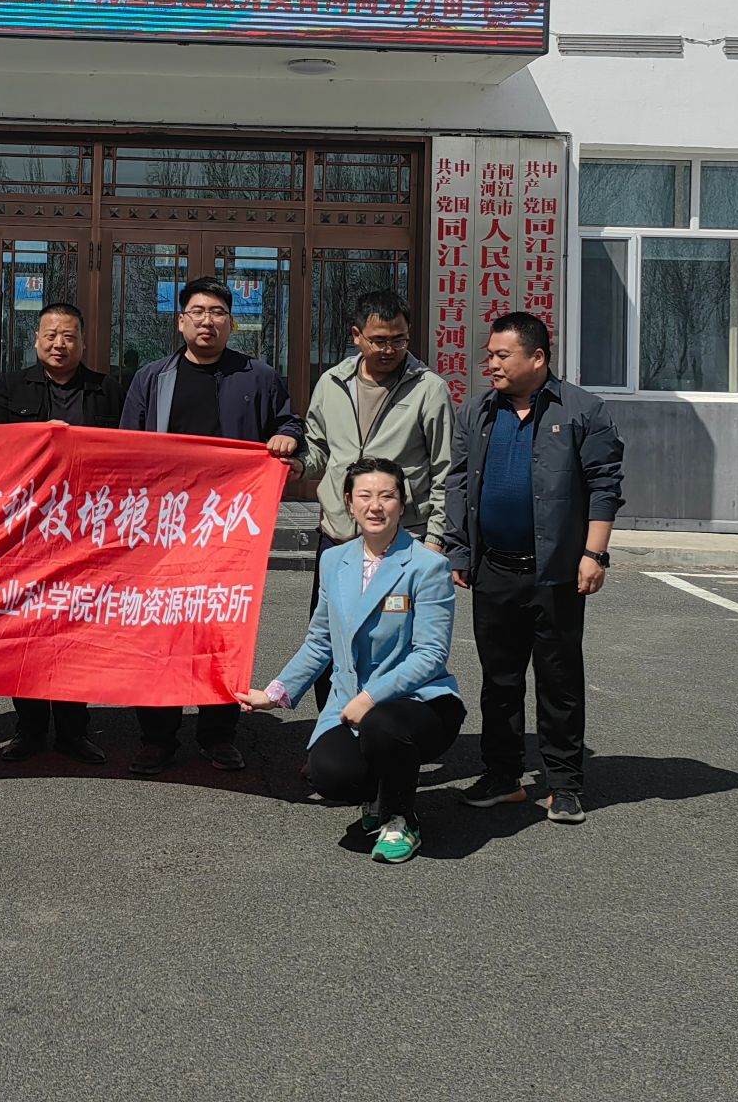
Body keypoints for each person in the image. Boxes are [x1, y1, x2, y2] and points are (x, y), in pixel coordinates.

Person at [443, 311, 624, 825]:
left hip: (556, 571)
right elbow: (459, 482)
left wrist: (594, 554)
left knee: (558, 679)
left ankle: (564, 784)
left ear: (538, 357)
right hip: (493, 569)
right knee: (499, 681)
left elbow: (605, 485)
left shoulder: (583, 410)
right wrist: (460, 550)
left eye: (503, 355)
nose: (491, 364)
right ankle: (502, 776)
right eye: (490, 354)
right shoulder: (478, 411)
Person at [236, 458, 464, 864]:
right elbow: (320, 641)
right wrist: (275, 693)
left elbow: (430, 655)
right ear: (349, 502)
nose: (375, 506)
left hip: (418, 703)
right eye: (365, 496)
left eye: (387, 496)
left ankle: (401, 818)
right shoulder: (334, 561)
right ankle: (377, 793)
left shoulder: (428, 566)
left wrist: (370, 697)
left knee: (383, 725)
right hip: (351, 703)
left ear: (402, 503)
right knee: (330, 775)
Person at [119, 275, 302, 775]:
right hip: (163, 531)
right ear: (180, 321)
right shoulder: (153, 378)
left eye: (218, 312)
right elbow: (127, 446)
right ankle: (157, 736)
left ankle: (219, 733)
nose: (207, 321)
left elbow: (288, 422)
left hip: (228, 533)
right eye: (197, 312)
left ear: (231, 322)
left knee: (221, 632)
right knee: (159, 634)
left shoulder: (257, 377)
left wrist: (287, 438)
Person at [0, 300, 128, 764]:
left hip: (86, 531)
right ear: (36, 340)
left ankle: (73, 730)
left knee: (75, 630)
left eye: (68, 336)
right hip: (27, 530)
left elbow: (131, 451)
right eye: (50, 335)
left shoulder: (107, 390)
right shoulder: (11, 386)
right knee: (26, 630)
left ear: (83, 342)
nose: (59, 344)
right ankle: (28, 728)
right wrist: (38, 437)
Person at [298, 288, 455, 704]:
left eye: (399, 340)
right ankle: (333, 724)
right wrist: (295, 463)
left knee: (392, 646)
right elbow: (318, 451)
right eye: (379, 340)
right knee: (330, 640)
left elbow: (446, 469)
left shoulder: (429, 389)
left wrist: (435, 539)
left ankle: (387, 729)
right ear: (357, 336)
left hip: (402, 540)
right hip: (338, 538)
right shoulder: (332, 383)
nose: (389, 350)